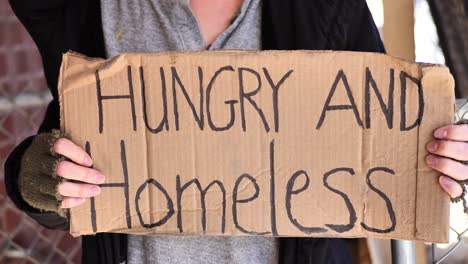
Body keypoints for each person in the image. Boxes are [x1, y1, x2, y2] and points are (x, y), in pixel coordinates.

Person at [5, 0, 467, 263]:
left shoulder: (328, 5)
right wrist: (37, 178)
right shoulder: (83, 8)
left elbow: (386, 143)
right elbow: (63, 152)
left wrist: (448, 158)